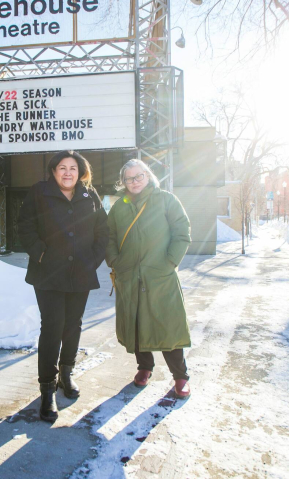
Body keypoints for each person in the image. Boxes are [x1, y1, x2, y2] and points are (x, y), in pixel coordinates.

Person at [17, 150, 109, 422]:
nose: (67, 172)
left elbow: (102, 230)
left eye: (73, 168)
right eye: (62, 167)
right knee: (53, 326)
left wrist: (93, 259)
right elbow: (24, 225)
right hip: (48, 273)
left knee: (73, 324)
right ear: (53, 171)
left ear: (81, 172)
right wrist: (39, 253)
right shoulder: (39, 192)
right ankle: (47, 389)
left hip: (80, 272)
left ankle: (66, 375)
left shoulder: (89, 195)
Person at [105, 159, 192, 399]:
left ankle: (180, 376)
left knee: (168, 326)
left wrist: (169, 263)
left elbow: (182, 233)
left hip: (160, 276)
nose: (134, 182)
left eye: (138, 176)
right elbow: (109, 235)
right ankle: (144, 367)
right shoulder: (119, 206)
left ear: (148, 176)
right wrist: (114, 261)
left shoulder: (166, 200)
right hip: (129, 275)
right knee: (136, 323)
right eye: (129, 178)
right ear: (123, 182)